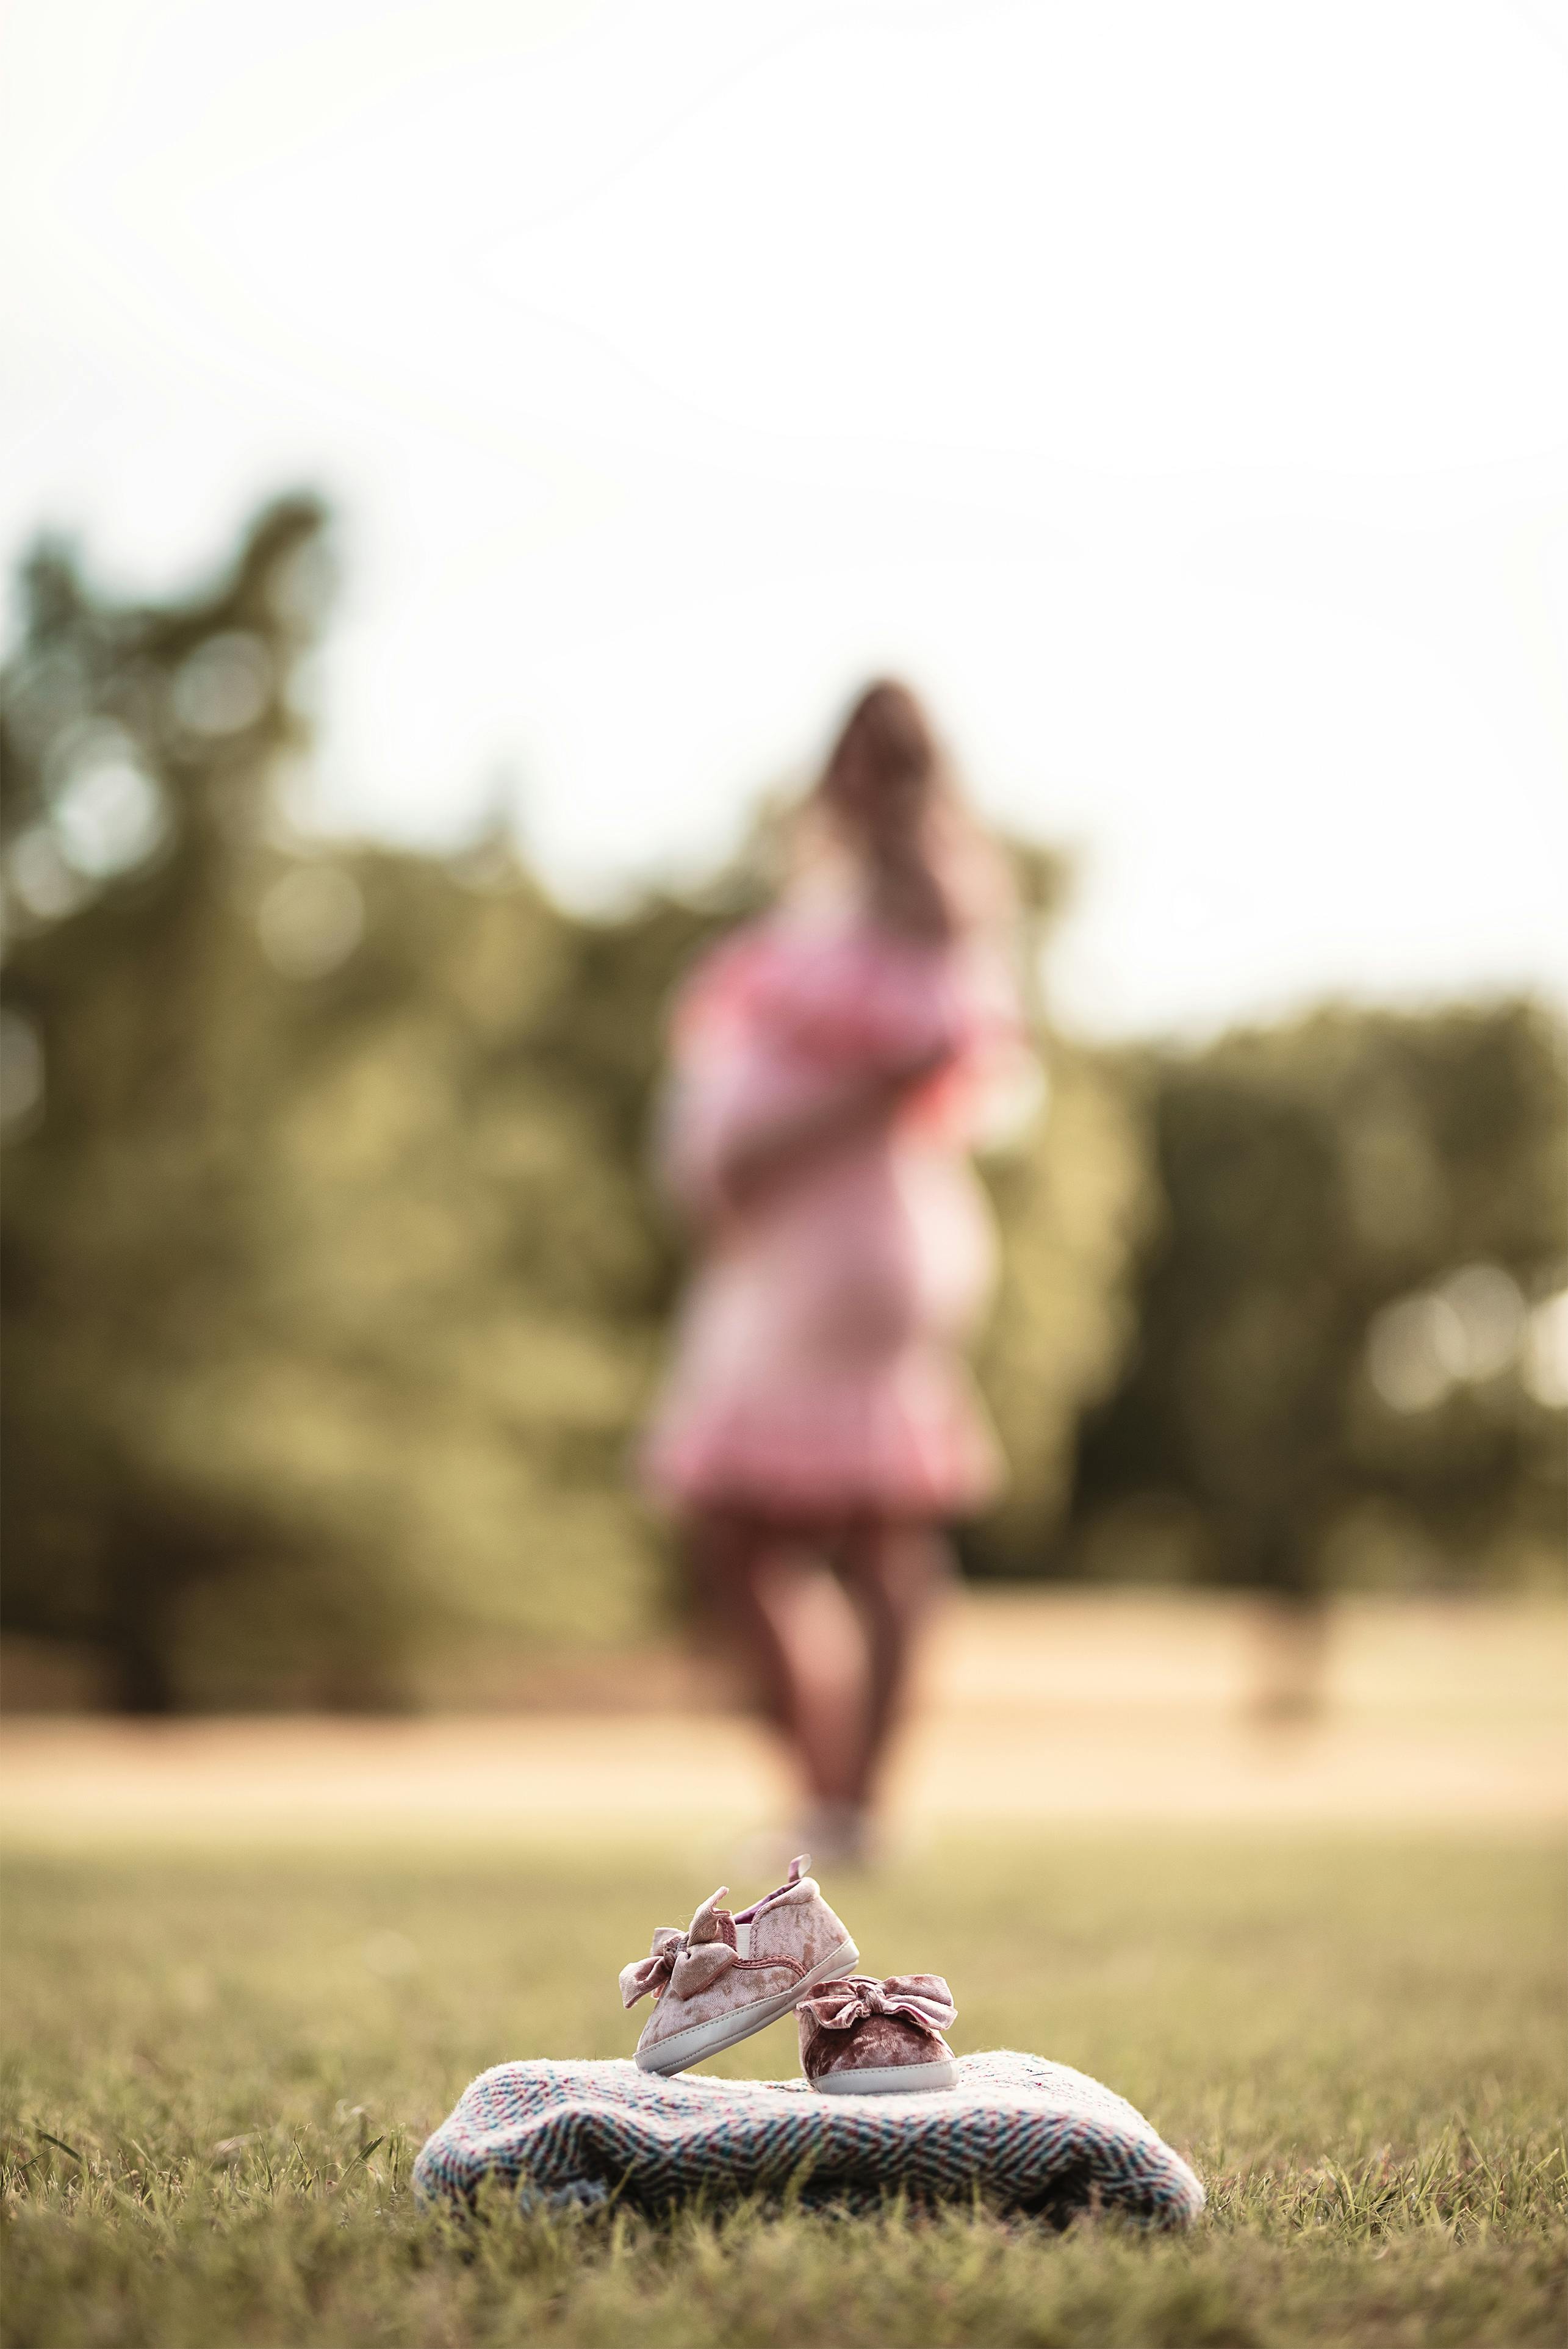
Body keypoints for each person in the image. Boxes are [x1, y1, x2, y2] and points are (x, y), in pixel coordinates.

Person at [642, 682, 1031, 1863]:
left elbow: (929, 1058)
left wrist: (769, 1141)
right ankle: (832, 1794)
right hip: (781, 1251)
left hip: (859, 1242)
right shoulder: (818, 894)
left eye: (884, 755)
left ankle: (850, 1803)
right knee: (739, 1523)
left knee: (866, 1522)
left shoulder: (928, 893)